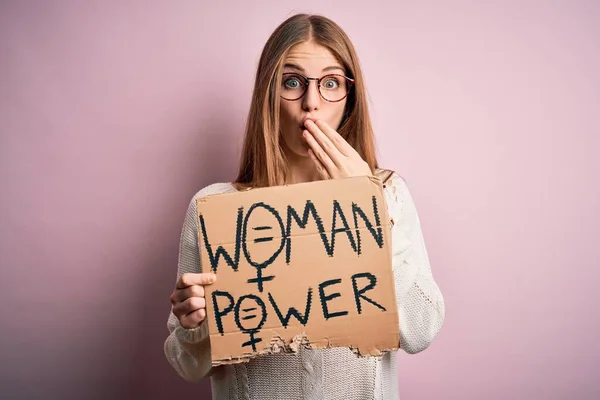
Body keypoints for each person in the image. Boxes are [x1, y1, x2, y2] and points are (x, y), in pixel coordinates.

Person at [164, 13, 445, 400]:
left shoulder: (389, 194)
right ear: (268, 92)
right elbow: (189, 365)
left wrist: (366, 205)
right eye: (292, 82)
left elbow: (421, 328)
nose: (311, 103)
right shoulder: (214, 207)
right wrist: (193, 325)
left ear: (349, 98)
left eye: (330, 83)